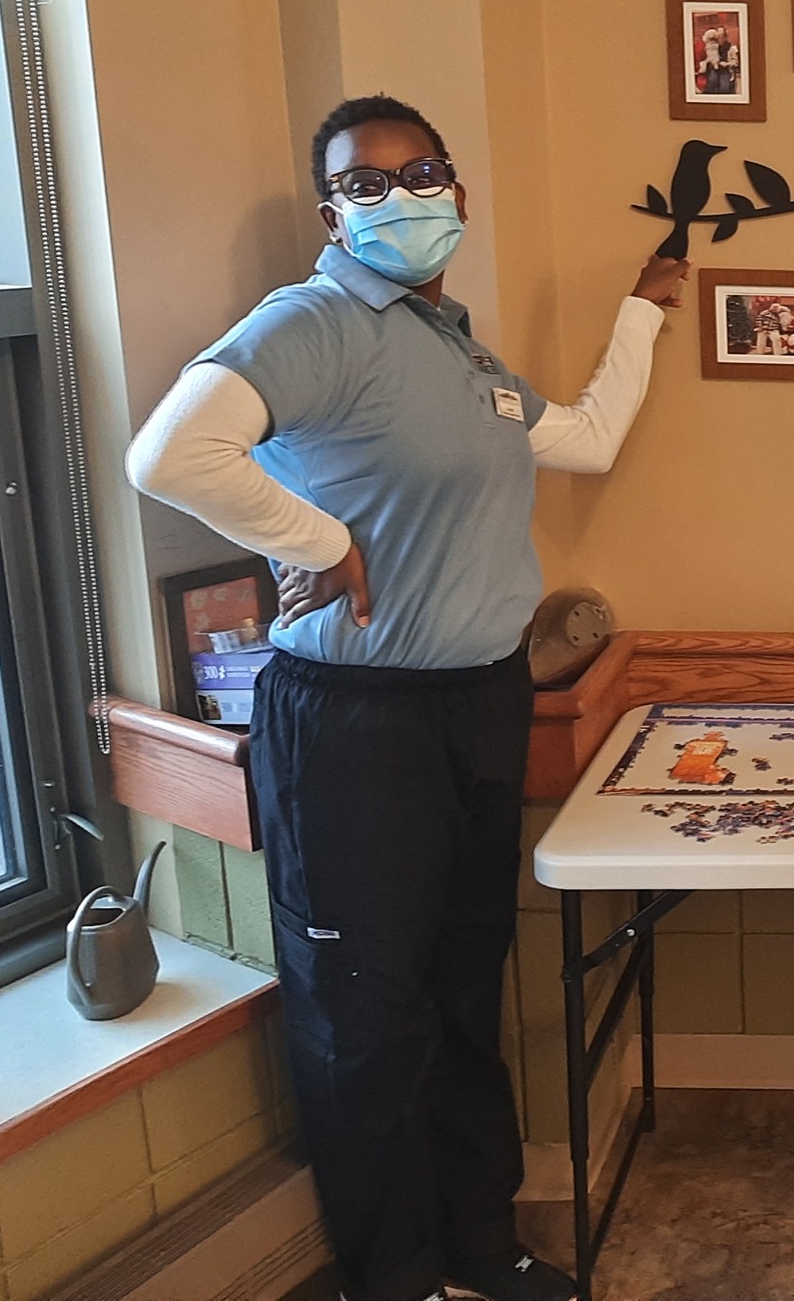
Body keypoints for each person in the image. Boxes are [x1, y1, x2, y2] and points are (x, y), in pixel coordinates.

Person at [127, 94, 689, 1301]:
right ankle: (397, 1280)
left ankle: (482, 1255)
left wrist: (644, 309)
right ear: (333, 212)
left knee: (459, 994)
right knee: (366, 1019)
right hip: (355, 725)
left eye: (420, 170)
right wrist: (315, 536)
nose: (400, 196)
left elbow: (584, 441)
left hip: (477, 706)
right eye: (365, 183)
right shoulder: (313, 322)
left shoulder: (459, 351)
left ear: (459, 192)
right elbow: (169, 455)